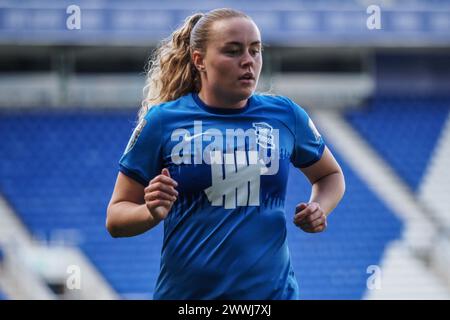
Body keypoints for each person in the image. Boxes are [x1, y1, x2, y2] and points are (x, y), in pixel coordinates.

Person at [106, 8, 345, 300]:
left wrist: (319, 207)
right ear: (199, 60)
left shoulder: (285, 115)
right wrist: (150, 212)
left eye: (255, 51)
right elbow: (115, 218)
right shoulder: (161, 121)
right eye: (233, 51)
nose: (248, 61)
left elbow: (330, 175)